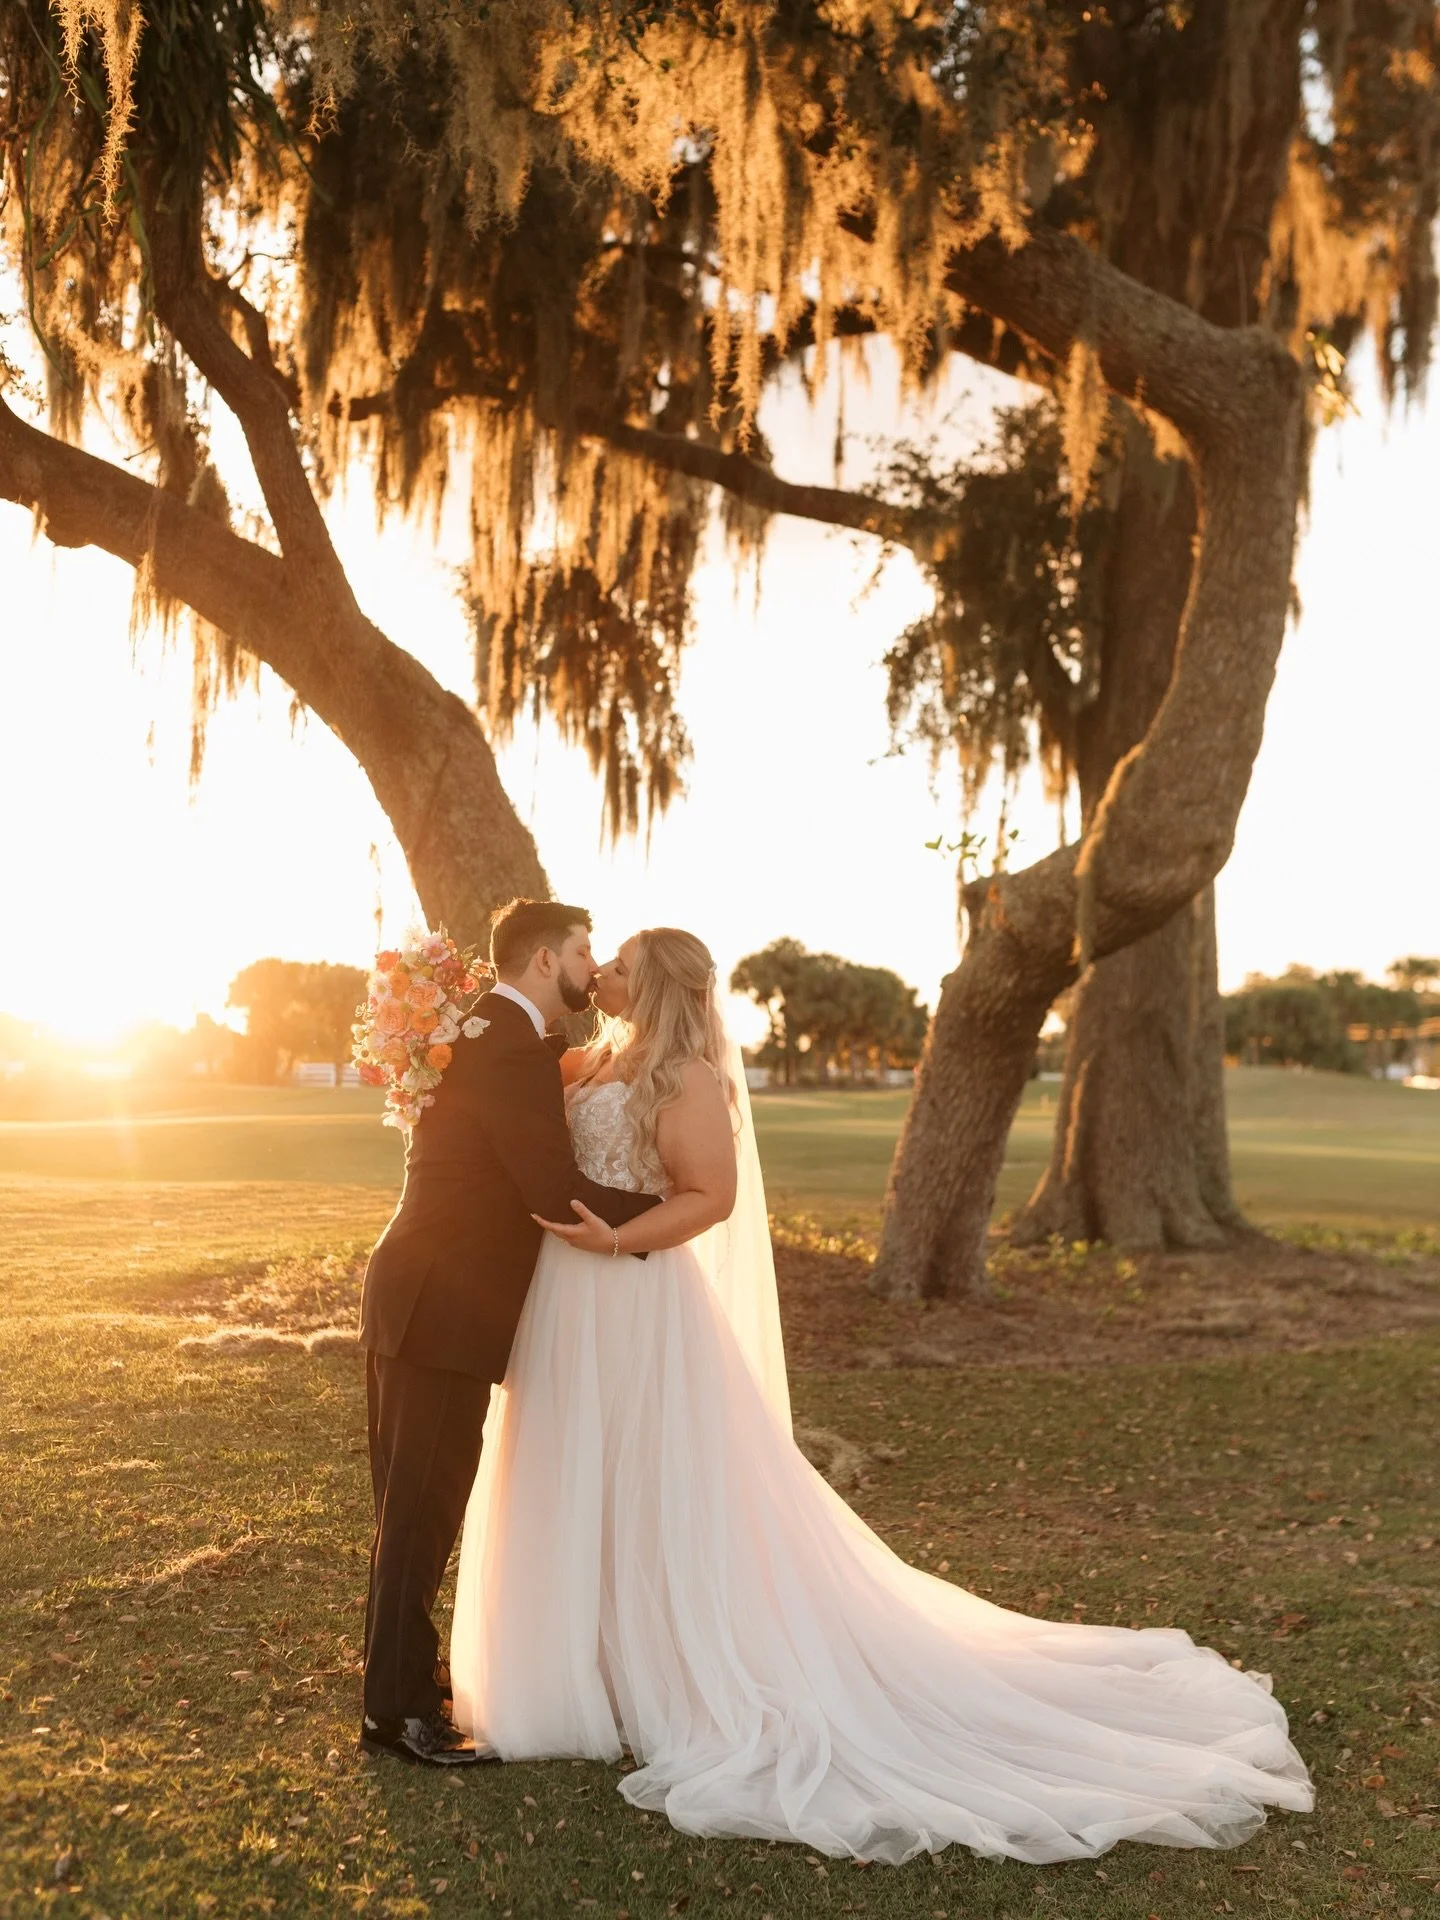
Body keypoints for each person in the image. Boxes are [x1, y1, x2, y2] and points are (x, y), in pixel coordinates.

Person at [450, 926, 1314, 1862]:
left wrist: (616, 1242)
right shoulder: (589, 1060)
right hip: (565, 1305)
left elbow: (713, 1197)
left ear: (654, 983)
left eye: (618, 965)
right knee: (571, 1468)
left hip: (635, 1296)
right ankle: (584, 1667)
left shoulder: (687, 1077)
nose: (601, 974)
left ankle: (672, 1666)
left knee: (656, 1481)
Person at [357, 899, 660, 1767]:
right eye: (580, 952)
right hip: (438, 1308)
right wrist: (677, 1219)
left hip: (423, 1297)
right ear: (540, 962)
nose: (589, 967)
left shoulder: (492, 1035)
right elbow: (552, 1189)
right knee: (418, 1513)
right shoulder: (505, 1049)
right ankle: (399, 1714)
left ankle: (404, 1683)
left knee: (410, 1510)